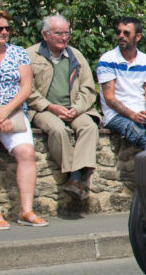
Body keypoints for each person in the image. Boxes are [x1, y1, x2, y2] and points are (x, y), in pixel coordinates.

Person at [0, 10, 47, 229]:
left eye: (6, 28)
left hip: (11, 112)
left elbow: (26, 87)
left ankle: (26, 210)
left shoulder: (18, 53)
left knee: (26, 153)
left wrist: (5, 111)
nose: (4, 32)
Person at [26, 14, 101, 201]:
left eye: (67, 33)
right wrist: (50, 107)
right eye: (58, 33)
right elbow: (27, 90)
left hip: (73, 108)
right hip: (43, 109)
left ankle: (74, 179)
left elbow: (88, 88)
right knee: (58, 130)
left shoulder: (76, 55)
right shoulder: (30, 55)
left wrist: (76, 108)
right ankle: (74, 177)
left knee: (89, 127)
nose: (64, 37)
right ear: (45, 34)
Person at [96, 17, 146, 150]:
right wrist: (133, 115)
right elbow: (109, 99)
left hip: (142, 111)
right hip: (116, 115)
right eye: (119, 32)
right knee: (145, 139)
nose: (121, 36)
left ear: (138, 36)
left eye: (126, 33)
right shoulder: (107, 60)